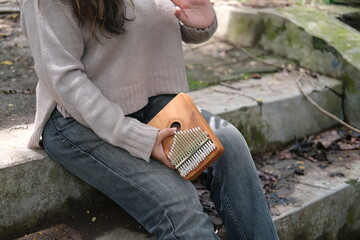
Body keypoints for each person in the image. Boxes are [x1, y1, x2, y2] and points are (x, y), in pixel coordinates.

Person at [20, 0, 279, 239]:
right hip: (76, 120)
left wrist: (199, 21)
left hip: (146, 102)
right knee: (179, 202)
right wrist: (137, 137)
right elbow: (63, 79)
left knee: (228, 143)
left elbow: (158, 21)